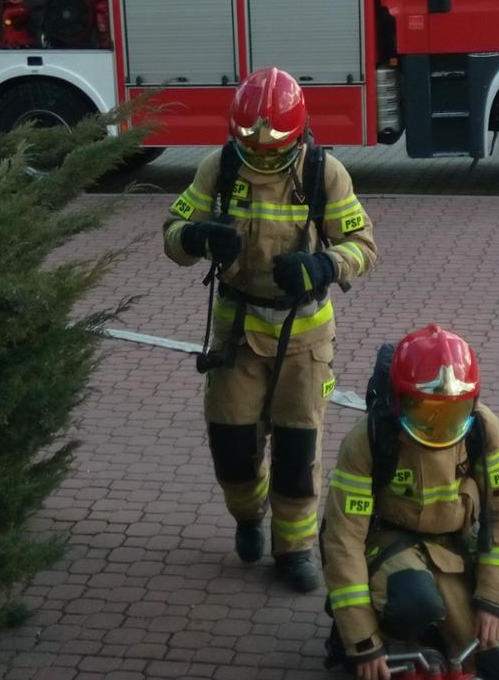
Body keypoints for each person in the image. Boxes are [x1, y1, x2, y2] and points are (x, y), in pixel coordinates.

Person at [162, 67, 378, 593]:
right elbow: (172, 233)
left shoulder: (324, 173)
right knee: (233, 452)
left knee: (297, 458)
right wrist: (197, 238)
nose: (260, 157)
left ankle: (294, 550)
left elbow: (362, 246)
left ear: (298, 133)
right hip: (235, 338)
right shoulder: (220, 167)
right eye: (250, 147)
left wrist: (323, 267)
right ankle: (246, 516)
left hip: (304, 343)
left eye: (272, 150)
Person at [320, 325, 499, 680]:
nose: (440, 426)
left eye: (454, 412)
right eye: (426, 411)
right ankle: (367, 629)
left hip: (451, 550)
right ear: (400, 400)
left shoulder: (483, 429)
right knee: (413, 603)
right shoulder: (369, 439)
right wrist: (363, 642)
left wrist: (494, 599)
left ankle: (433, 628)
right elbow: (343, 540)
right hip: (388, 548)